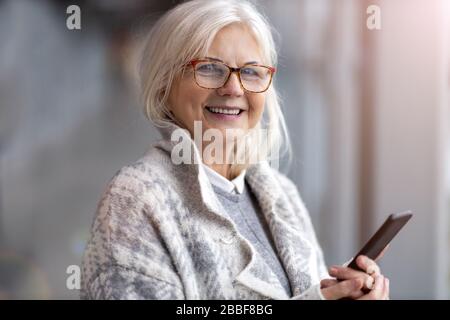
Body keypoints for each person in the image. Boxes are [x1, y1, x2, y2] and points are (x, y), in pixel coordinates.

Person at [81, 0, 389, 300]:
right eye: (211, 68)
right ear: (165, 84)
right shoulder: (135, 199)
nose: (234, 88)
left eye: (252, 72)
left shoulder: (282, 196)